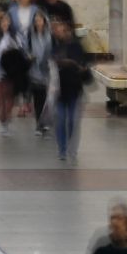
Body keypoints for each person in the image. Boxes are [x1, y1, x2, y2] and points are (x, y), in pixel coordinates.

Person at [49, 19, 91, 161]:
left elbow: (84, 65)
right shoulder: (54, 47)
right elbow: (50, 64)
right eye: (57, 30)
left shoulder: (77, 47)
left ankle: (72, 149)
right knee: (60, 120)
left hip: (74, 89)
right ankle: (62, 149)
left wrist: (74, 65)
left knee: (72, 121)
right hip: (60, 91)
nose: (59, 33)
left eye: (61, 30)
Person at [0, 9, 27, 134]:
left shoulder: (14, 37)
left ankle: (5, 120)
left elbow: (21, 50)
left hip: (9, 72)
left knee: (8, 98)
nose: (5, 23)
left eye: (7, 21)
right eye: (2, 21)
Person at [24, 9, 54, 131]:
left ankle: (46, 122)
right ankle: (39, 123)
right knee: (38, 99)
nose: (38, 23)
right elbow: (25, 49)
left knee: (49, 99)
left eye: (40, 20)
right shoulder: (30, 35)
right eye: (36, 20)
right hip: (34, 72)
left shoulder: (50, 35)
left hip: (48, 71)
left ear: (44, 21)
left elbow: (54, 50)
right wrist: (29, 56)